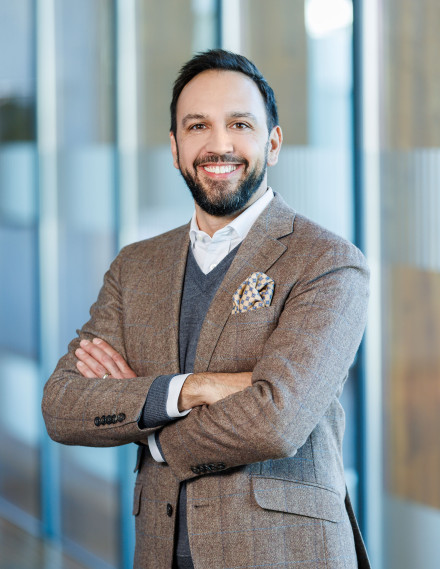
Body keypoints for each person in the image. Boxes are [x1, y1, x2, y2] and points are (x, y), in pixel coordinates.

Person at [42, 49, 370, 569]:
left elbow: (277, 421)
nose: (219, 145)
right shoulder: (135, 267)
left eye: (239, 124)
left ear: (274, 142)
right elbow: (63, 404)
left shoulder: (327, 262)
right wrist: (196, 387)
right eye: (197, 126)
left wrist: (153, 434)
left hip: (284, 554)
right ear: (174, 148)